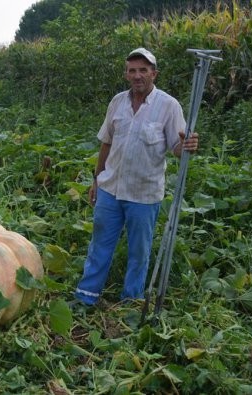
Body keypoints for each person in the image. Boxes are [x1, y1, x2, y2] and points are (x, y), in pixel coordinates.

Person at [73, 48, 199, 306]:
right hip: (110, 188)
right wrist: (97, 180)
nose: (137, 75)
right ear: (126, 74)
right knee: (99, 246)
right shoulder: (117, 102)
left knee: (139, 252)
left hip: (144, 195)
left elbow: (177, 148)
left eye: (143, 70)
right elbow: (106, 143)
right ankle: (86, 297)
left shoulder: (168, 106)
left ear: (154, 73)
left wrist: (187, 146)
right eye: (132, 70)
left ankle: (131, 303)